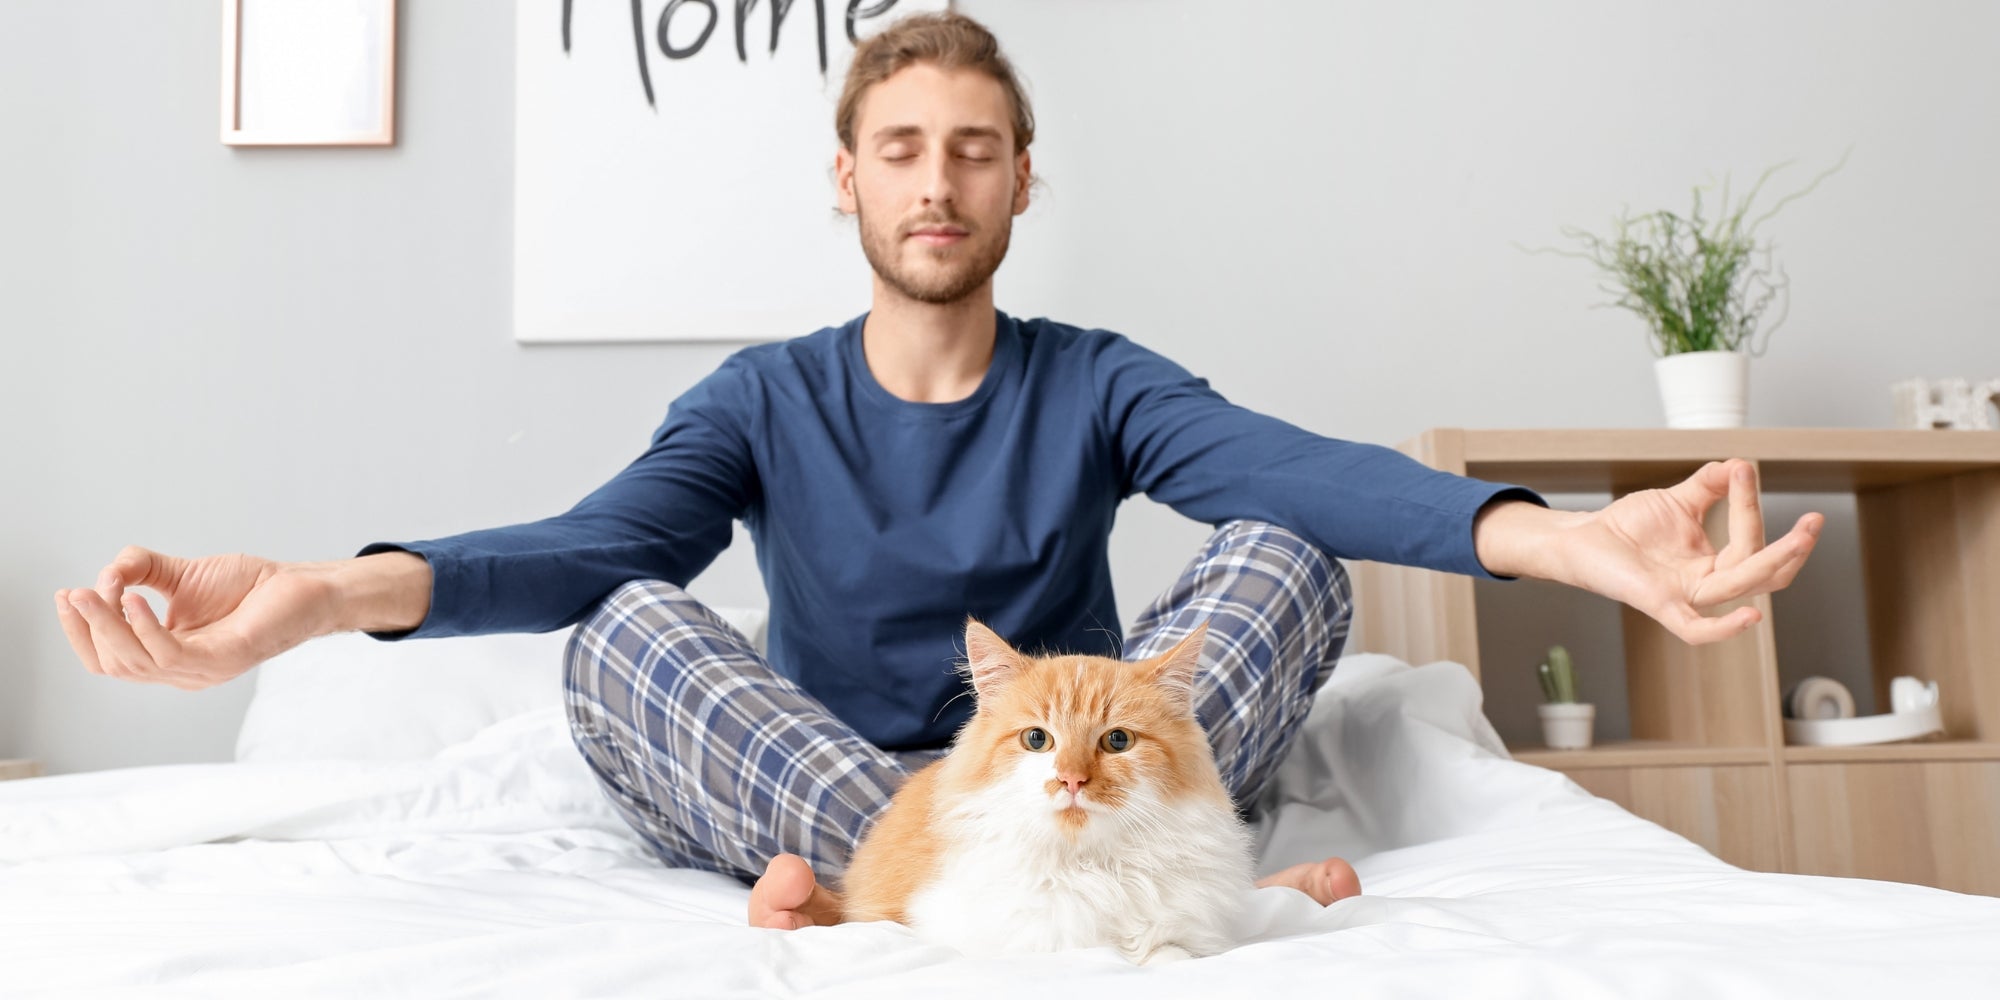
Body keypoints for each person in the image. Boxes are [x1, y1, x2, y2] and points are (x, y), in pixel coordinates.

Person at [53, 13, 1821, 932]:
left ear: (1020, 185)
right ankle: (939, 887)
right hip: (849, 793)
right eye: (901, 148)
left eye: (974, 151)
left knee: (1287, 558)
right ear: (847, 180)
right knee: (626, 628)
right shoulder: (764, 397)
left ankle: (946, 907)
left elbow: (1295, 470)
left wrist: (1571, 547)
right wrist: (317, 600)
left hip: (1067, 778)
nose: (937, 182)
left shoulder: (1097, 382)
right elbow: (585, 549)